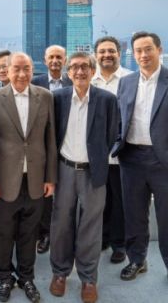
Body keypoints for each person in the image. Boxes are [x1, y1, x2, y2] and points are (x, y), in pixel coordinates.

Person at [112, 32, 168, 295]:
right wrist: (118, 145)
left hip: (166, 162)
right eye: (138, 50)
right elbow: (120, 117)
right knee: (134, 215)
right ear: (133, 53)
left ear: (159, 50)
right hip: (132, 159)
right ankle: (137, 261)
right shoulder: (126, 82)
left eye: (148, 49)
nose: (143, 55)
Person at [0, 51, 57, 303]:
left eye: (26, 68)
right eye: (17, 69)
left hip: (35, 179)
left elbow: (50, 140)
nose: (22, 74)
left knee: (29, 234)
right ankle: (4, 277)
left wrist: (50, 178)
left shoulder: (45, 97)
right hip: (4, 181)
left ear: (32, 69)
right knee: (2, 233)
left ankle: (26, 277)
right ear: (7, 70)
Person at [49, 52, 119, 303]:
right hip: (64, 169)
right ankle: (59, 273)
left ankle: (88, 278)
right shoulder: (56, 99)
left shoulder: (107, 100)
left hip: (94, 171)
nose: (80, 71)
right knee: (61, 223)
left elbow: (113, 134)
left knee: (91, 226)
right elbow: (51, 135)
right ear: (68, 72)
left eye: (85, 67)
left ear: (92, 71)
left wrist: (98, 158)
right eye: (75, 67)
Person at [91, 36, 132, 264]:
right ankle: (101, 239)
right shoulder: (89, 78)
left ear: (119, 53)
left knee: (119, 200)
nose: (107, 55)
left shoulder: (129, 78)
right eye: (102, 51)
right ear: (96, 54)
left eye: (111, 51)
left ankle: (119, 244)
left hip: (121, 152)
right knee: (98, 199)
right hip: (95, 152)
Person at [30, 44, 72, 254]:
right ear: (45, 61)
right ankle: (44, 234)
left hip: (67, 145)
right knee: (44, 193)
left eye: (59, 57)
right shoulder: (35, 82)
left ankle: (64, 234)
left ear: (65, 61)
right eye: (51, 57)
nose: (55, 61)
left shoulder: (73, 81)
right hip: (41, 145)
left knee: (66, 193)